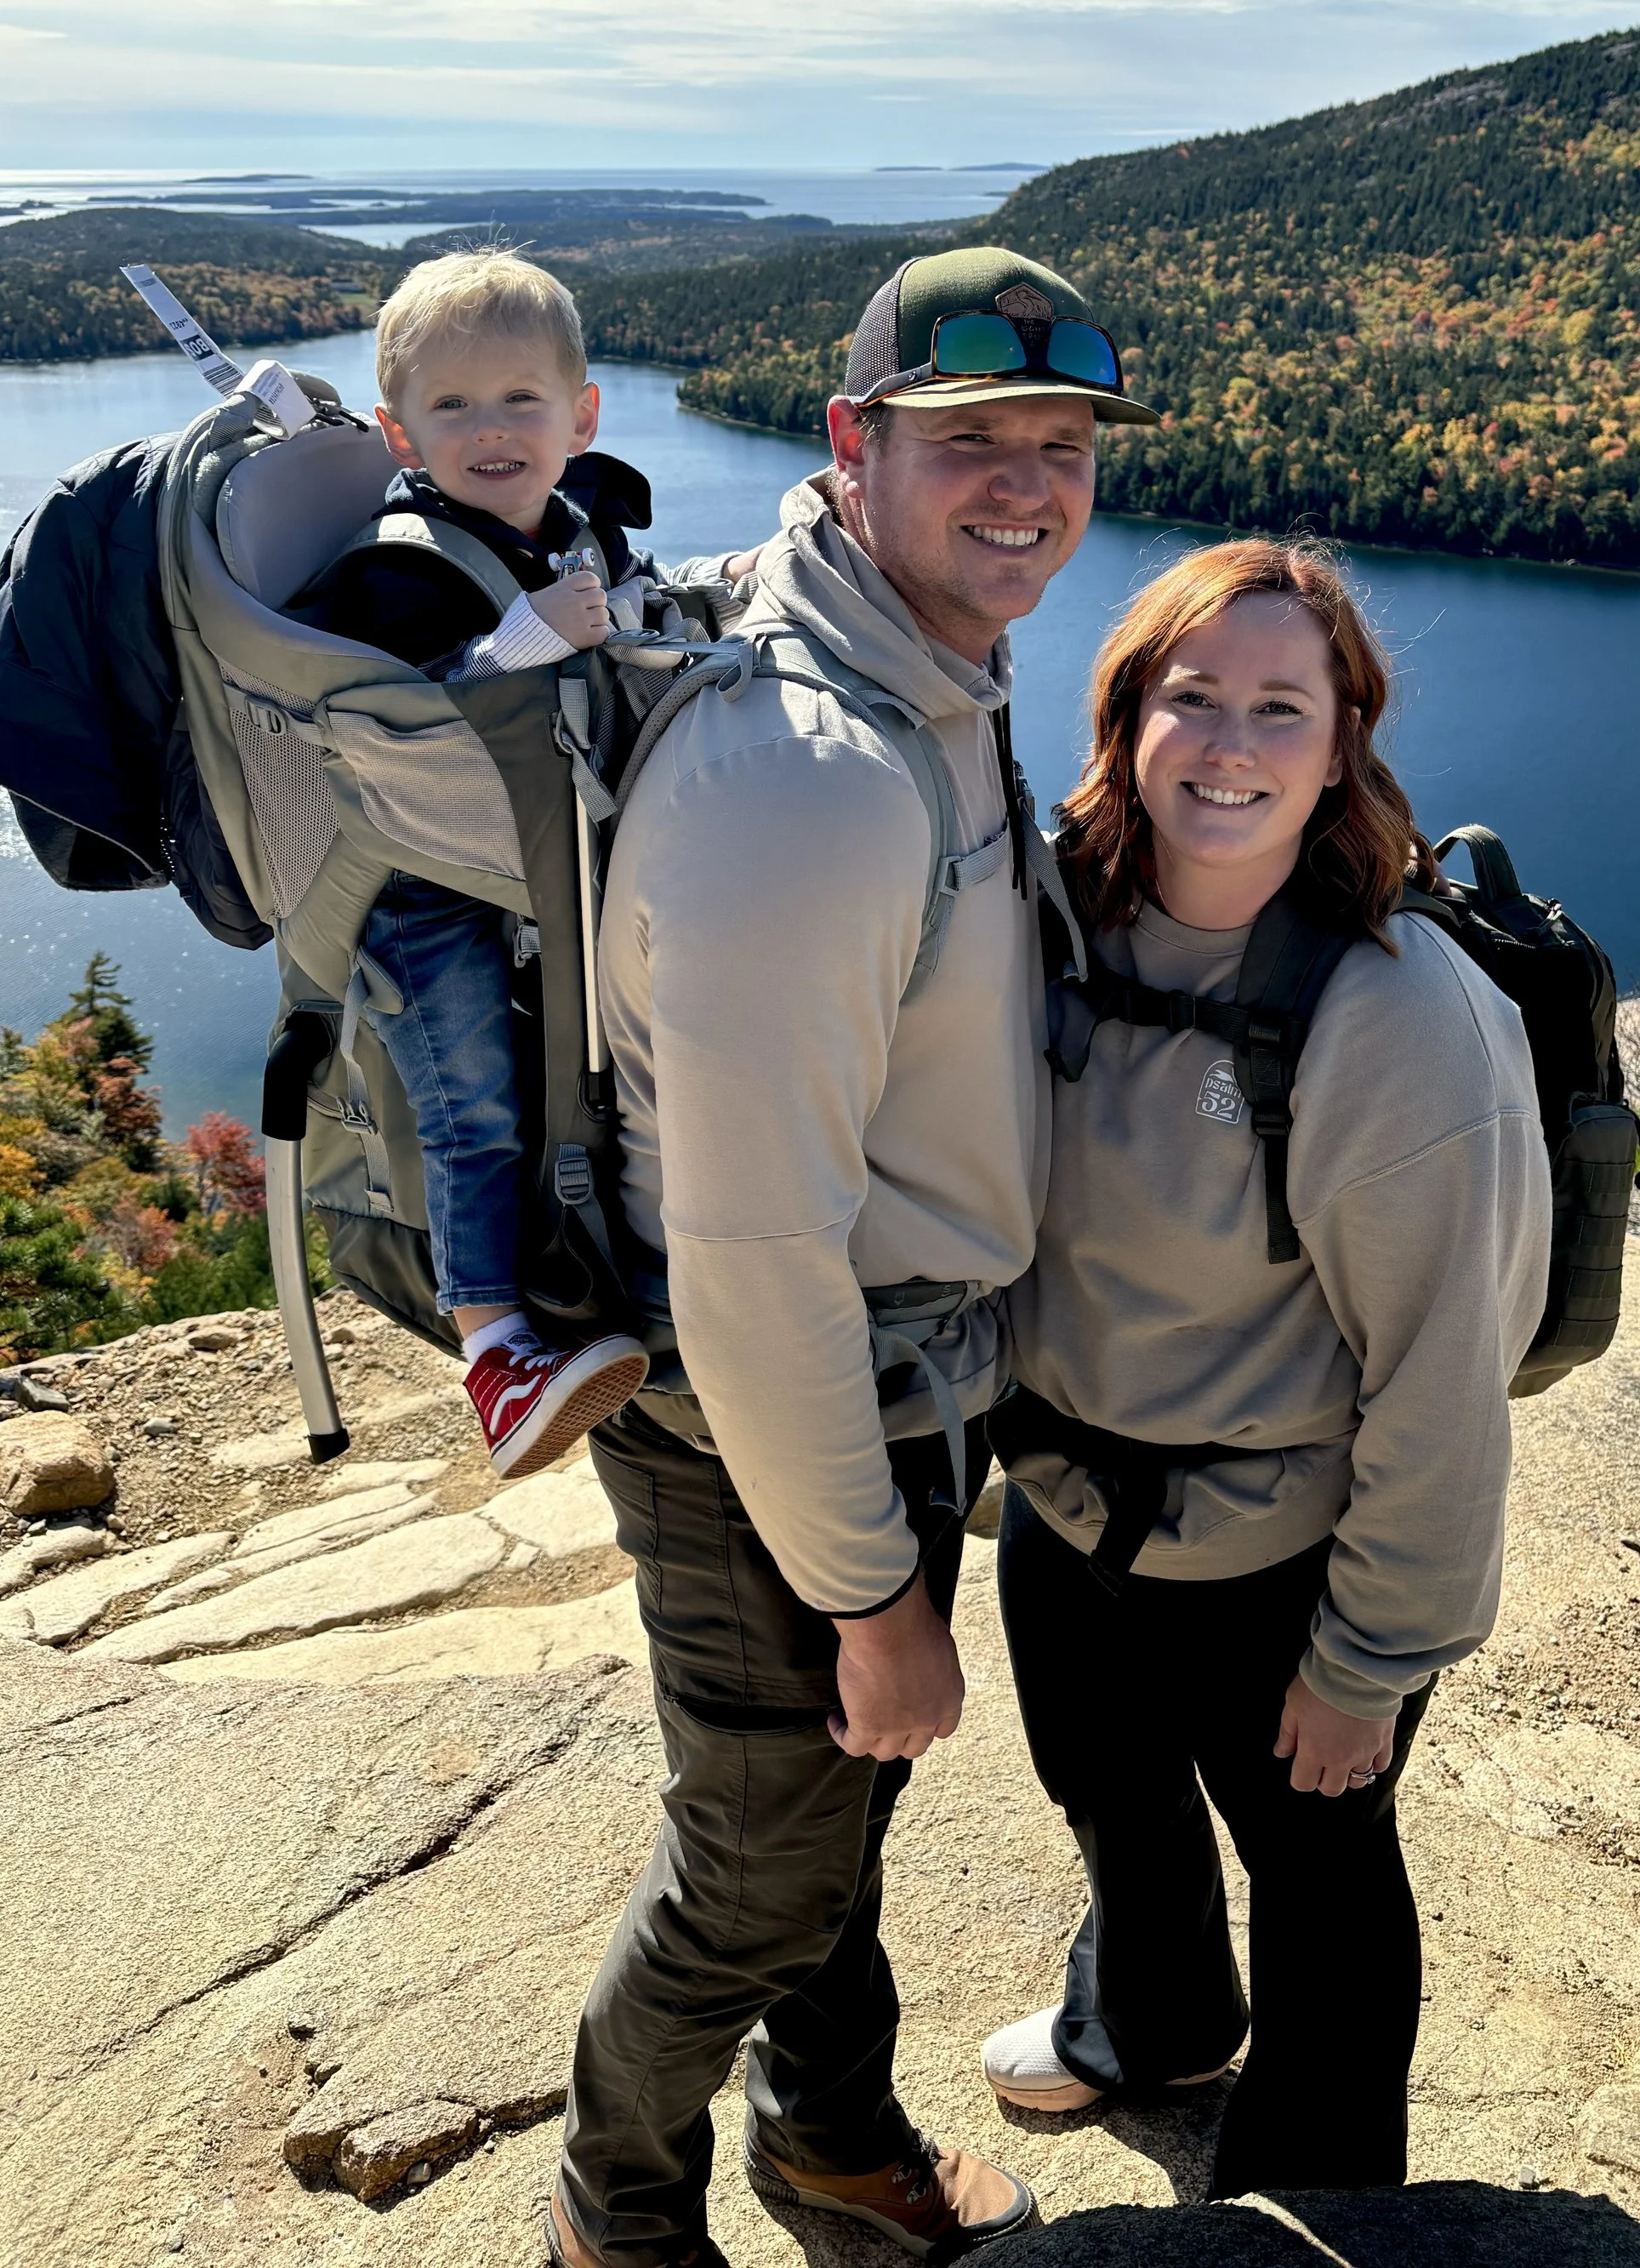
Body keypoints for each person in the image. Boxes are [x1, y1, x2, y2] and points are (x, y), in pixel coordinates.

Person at [549, 248, 1159, 2268]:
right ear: (850, 449)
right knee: (755, 1872)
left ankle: (824, 2140)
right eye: (966, 441)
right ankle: (613, 2227)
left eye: (1060, 448)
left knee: (828, 1830)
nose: (1026, 486)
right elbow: (745, 1260)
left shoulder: (907, 664)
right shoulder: (805, 778)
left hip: (886, 1378)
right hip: (773, 1417)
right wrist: (872, 1590)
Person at [982, 539, 1550, 2196]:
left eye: (1278, 708)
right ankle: (1148, 2025)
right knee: (1105, 1791)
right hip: (1068, 1497)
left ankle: (1303, 2196)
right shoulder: (1050, 917)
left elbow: (1446, 1378)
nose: (1228, 742)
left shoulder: (1394, 1016)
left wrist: (1368, 1658)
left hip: (1277, 1559)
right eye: (1191, 695)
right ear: (1123, 717)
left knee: (1317, 1885)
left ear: (1340, 738)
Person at [297, 248, 652, 1476]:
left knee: (584, 1076)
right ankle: (494, 1350)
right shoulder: (389, 573)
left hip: (541, 880)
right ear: (400, 430)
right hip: (419, 899)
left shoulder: (583, 525)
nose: (491, 432)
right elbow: (365, 742)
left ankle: (580, 1266)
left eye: (521, 400)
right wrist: (507, 653)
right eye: (451, 407)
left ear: (582, 415)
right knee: (474, 1109)